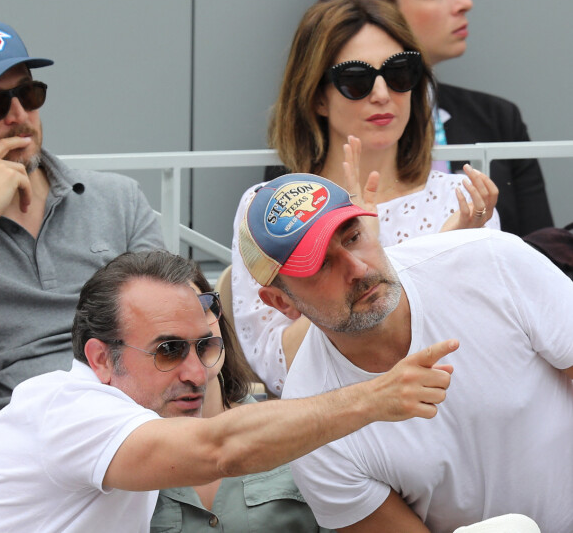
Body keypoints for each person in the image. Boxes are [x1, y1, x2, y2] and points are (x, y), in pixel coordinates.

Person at [0, 249, 457, 533]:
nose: (196, 372)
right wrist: (376, 396)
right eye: (169, 350)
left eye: (207, 346)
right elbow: (221, 448)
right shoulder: (63, 407)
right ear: (99, 359)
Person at [237, 171, 573, 533]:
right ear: (280, 302)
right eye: (321, 264)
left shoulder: (492, 260)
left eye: (353, 237)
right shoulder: (315, 427)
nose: (358, 268)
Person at [231, 0, 499, 395]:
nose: (381, 93)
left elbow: (485, 342)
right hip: (335, 428)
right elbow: (276, 367)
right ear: (317, 95)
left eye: (400, 73)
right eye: (356, 79)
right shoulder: (266, 210)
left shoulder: (460, 199)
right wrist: (400, 262)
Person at [306, 0, 554, 237]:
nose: (464, 2)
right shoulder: (301, 159)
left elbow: (543, 252)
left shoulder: (498, 119)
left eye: (399, 75)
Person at [0, 19, 164, 414]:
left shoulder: (117, 197)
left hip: (130, 408)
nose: (18, 115)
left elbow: (174, 314)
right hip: (21, 429)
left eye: (28, 94)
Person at [150, 260, 334, 532]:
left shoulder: (296, 435)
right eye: (168, 348)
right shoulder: (109, 452)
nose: (194, 371)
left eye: (200, 306)